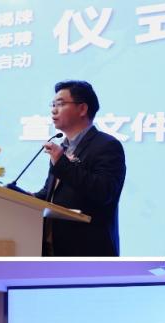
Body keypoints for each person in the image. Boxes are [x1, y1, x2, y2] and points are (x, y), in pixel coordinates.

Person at [30, 80, 126, 256]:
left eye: (60, 104)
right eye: (53, 105)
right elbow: (51, 194)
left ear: (82, 109)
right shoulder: (62, 147)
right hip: (51, 246)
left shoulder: (107, 145)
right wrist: (24, 197)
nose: (53, 110)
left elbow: (104, 192)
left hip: (87, 249)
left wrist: (62, 162)